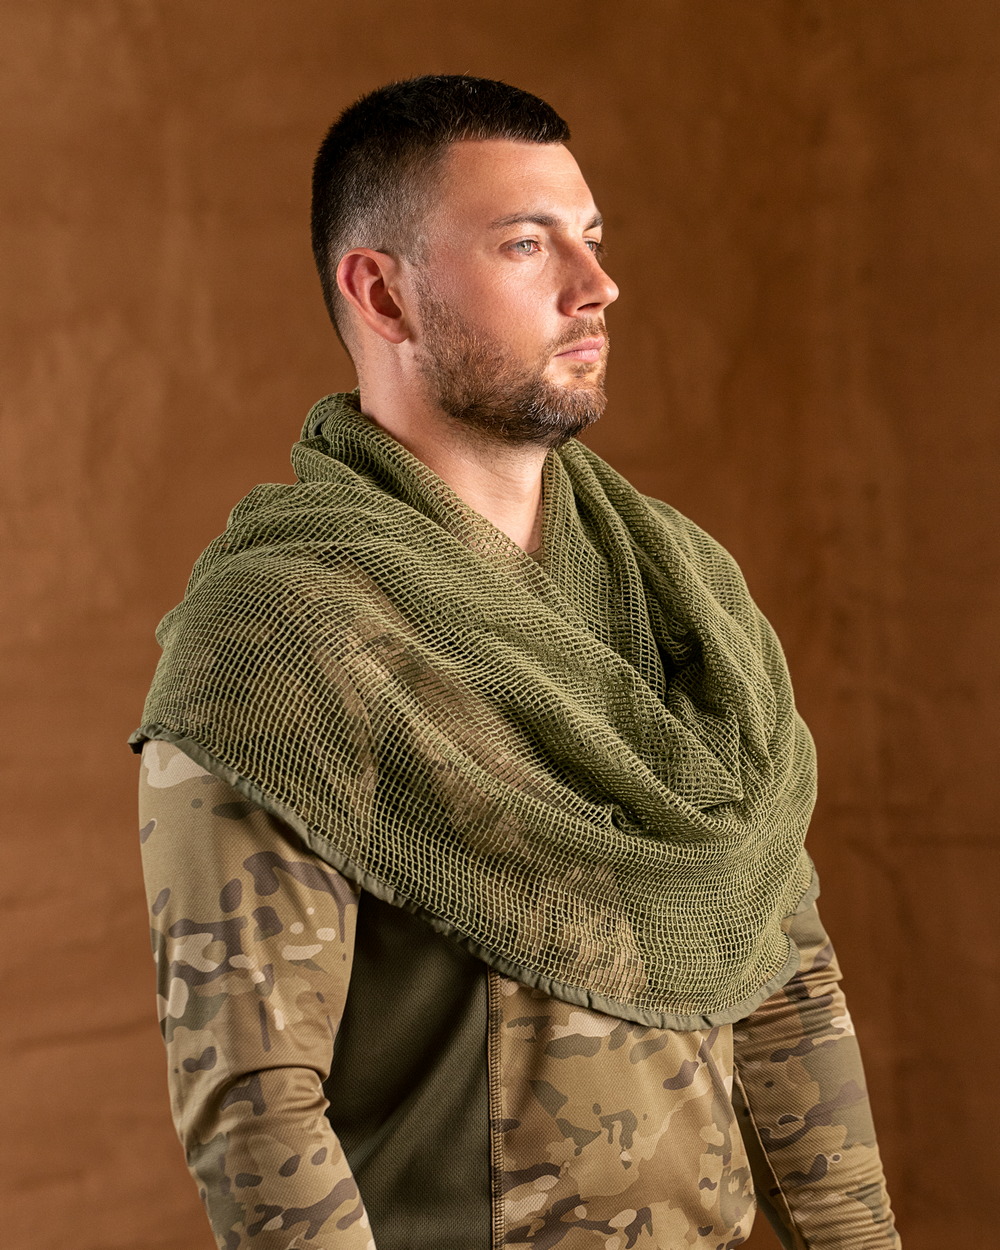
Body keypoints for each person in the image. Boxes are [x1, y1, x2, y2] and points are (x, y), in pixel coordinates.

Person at [130, 75, 901, 1249]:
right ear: (383, 292)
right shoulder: (281, 641)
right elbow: (257, 1109)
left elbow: (783, 980)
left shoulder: (684, 599)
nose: (595, 285)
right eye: (526, 244)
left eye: (591, 238)